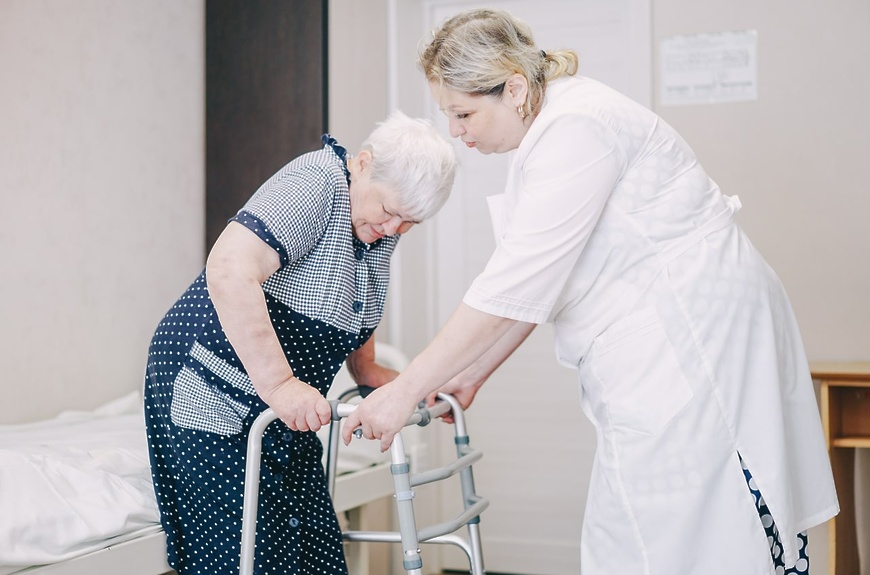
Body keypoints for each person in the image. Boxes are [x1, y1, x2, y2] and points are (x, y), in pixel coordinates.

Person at [341, 8, 839, 575]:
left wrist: (405, 390)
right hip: (664, 343)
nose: (456, 131)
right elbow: (536, 283)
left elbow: (514, 281)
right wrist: (472, 374)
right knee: (653, 528)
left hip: (696, 340)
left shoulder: (576, 128)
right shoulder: (550, 134)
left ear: (514, 89)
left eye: (463, 113)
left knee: (700, 524)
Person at [143, 110, 457, 575]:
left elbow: (350, 297)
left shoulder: (375, 224)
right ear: (363, 164)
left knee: (316, 552)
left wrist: (368, 370)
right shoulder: (316, 183)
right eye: (390, 212)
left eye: (410, 221)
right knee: (250, 556)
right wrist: (281, 386)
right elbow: (229, 268)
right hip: (211, 388)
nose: (394, 229)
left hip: (278, 412)